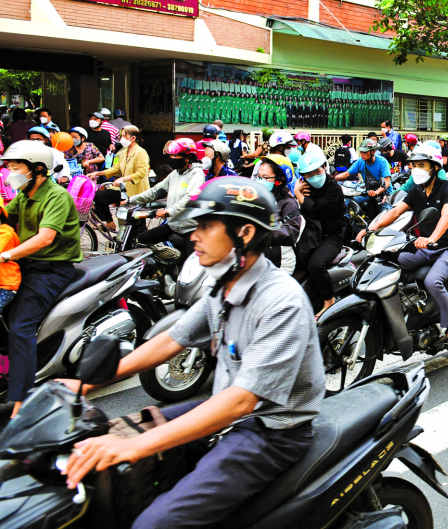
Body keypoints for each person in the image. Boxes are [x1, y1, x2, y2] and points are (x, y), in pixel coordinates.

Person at [60, 177, 324, 527]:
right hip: (225, 404)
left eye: (207, 226)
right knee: (97, 449)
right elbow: (172, 340)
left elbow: (243, 401)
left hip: (269, 431)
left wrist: (139, 446)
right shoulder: (223, 284)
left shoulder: (280, 301)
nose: (194, 236)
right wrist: (86, 384)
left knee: (154, 523)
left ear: (244, 233)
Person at [356, 143, 448, 349]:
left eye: (421, 165)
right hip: (425, 248)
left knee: (433, 281)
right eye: (413, 165)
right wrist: (371, 229)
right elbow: (395, 212)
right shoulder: (417, 191)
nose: (415, 169)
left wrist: (432, 237)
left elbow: (447, 215)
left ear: (434, 167)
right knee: (388, 264)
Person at [1, 141, 82, 416]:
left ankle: (21, 404)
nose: (11, 173)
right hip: (24, 265)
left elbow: (45, 238)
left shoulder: (57, 196)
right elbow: (5, 216)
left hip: (51, 269)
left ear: (37, 169)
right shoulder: (24, 194)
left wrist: (6, 255)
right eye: (9, 168)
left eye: (15, 167)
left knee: (20, 326)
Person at [130, 138, 205, 253]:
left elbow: (190, 197)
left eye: (177, 156)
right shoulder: (175, 173)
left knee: (194, 264)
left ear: (188, 157)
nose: (173, 159)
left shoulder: (196, 174)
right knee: (139, 242)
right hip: (173, 225)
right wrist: (131, 200)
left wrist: (169, 211)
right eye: (171, 156)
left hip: (190, 228)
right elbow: (155, 191)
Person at [295, 152, 347, 308]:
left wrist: (297, 193)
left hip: (331, 237)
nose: (314, 177)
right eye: (309, 174)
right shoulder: (306, 188)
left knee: (315, 265)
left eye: (317, 172)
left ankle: (329, 301)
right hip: (311, 235)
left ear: (325, 167)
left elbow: (316, 210)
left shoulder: (334, 189)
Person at [93, 126, 150, 230]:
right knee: (99, 197)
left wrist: (123, 179)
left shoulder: (141, 152)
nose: (121, 138)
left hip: (136, 191)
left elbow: (141, 173)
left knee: (135, 222)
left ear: (133, 138)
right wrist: (97, 173)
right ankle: (109, 222)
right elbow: (116, 168)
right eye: (121, 136)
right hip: (123, 189)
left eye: (124, 135)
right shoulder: (124, 152)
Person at [255, 154, 302, 275]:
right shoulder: (259, 199)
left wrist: (262, 232)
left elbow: (291, 233)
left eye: (265, 178)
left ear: (279, 180)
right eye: (259, 177)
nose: (260, 181)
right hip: (261, 260)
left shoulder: (288, 203)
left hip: (281, 264)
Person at [335, 138, 392, 212]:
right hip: (369, 193)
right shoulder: (360, 162)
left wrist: (376, 192)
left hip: (384, 195)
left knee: (385, 217)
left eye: (365, 152)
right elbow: (346, 174)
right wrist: (332, 178)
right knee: (349, 202)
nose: (362, 154)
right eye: (361, 152)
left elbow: (387, 184)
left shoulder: (382, 162)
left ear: (373, 152)